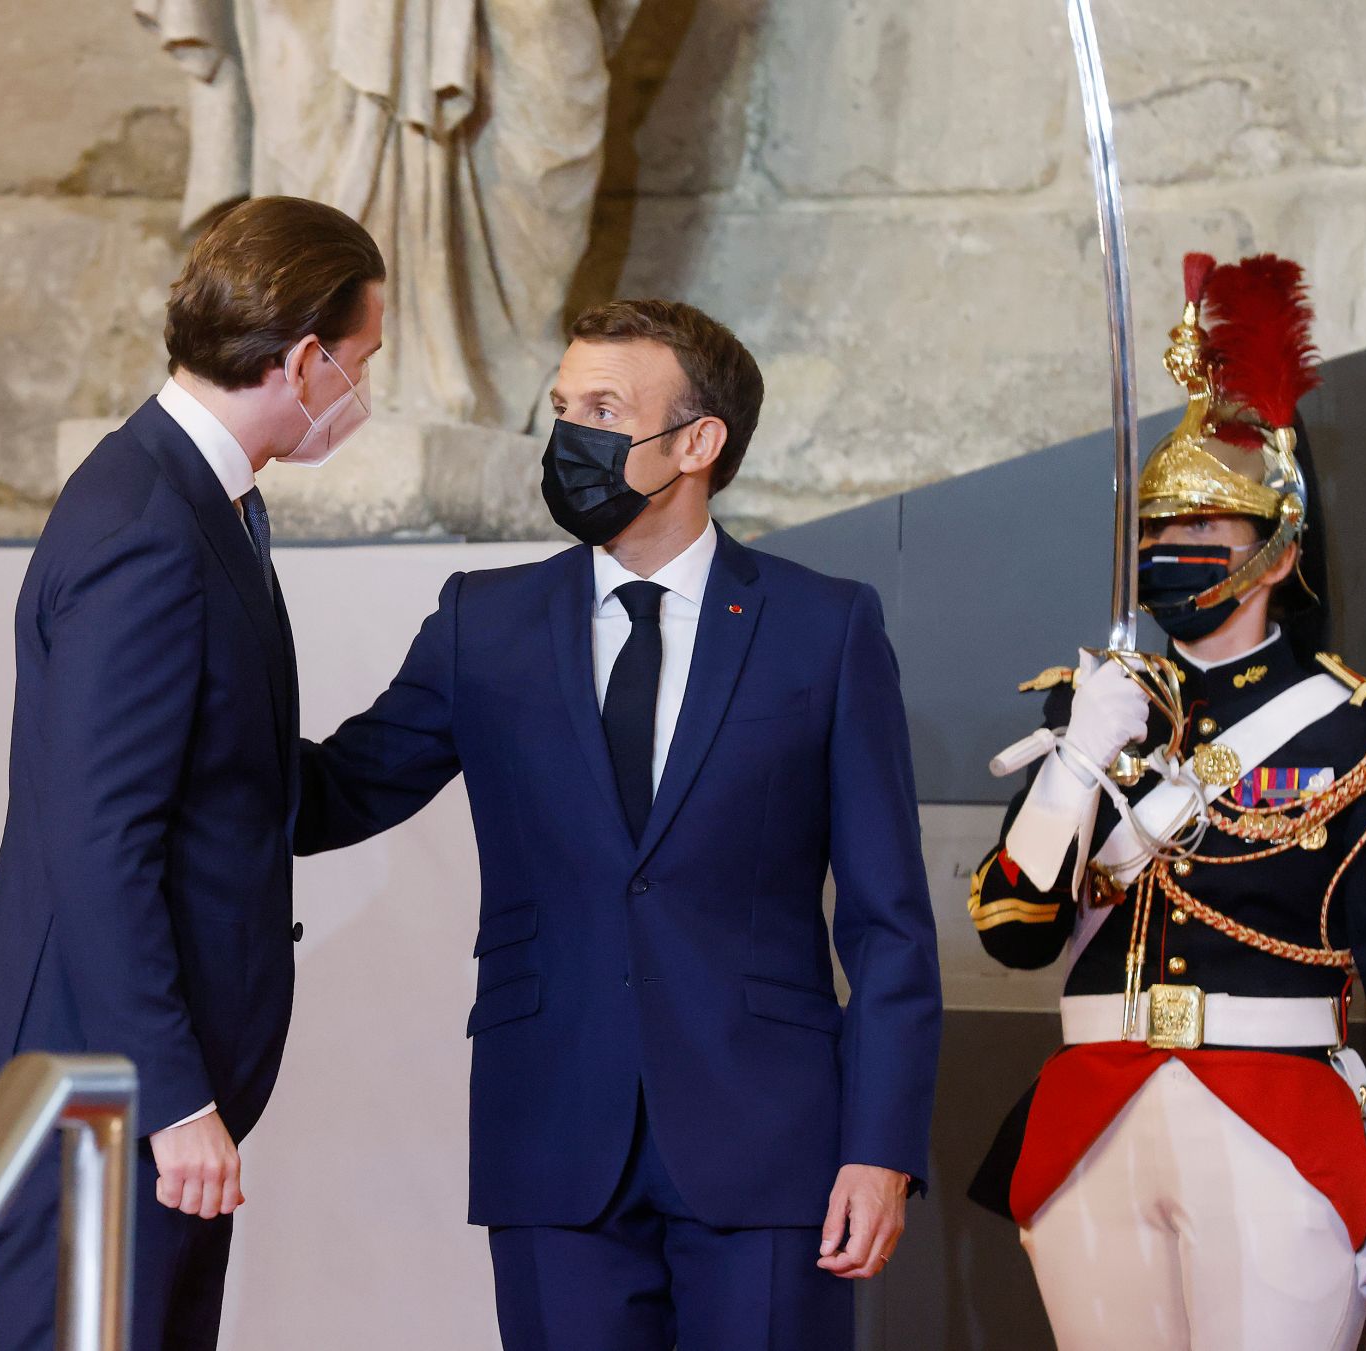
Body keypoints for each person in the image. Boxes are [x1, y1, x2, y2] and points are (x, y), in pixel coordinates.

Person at [295, 299, 942, 1351]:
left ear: (697, 443)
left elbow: (888, 922)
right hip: (550, 1135)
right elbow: (332, 794)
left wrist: (880, 1148)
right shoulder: (480, 623)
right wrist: (196, 698)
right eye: (561, 407)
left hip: (772, 1147)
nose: (569, 436)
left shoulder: (824, 628)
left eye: (603, 407)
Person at [966, 252, 1366, 1348]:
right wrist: (1076, 761)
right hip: (1089, 1120)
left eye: (1197, 538)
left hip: (1271, 1121)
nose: (1166, 558)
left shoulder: (1359, 738)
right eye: (1152, 538)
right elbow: (1011, 933)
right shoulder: (1090, 715)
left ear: (1272, 554)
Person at [0, 196, 384, 1350]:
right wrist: (174, 1096)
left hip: (132, 1088)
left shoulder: (206, 498)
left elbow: (232, 783)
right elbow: (101, 837)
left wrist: (449, 713)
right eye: (363, 359)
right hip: (101, 1093)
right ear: (302, 359)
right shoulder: (148, 521)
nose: (364, 391)